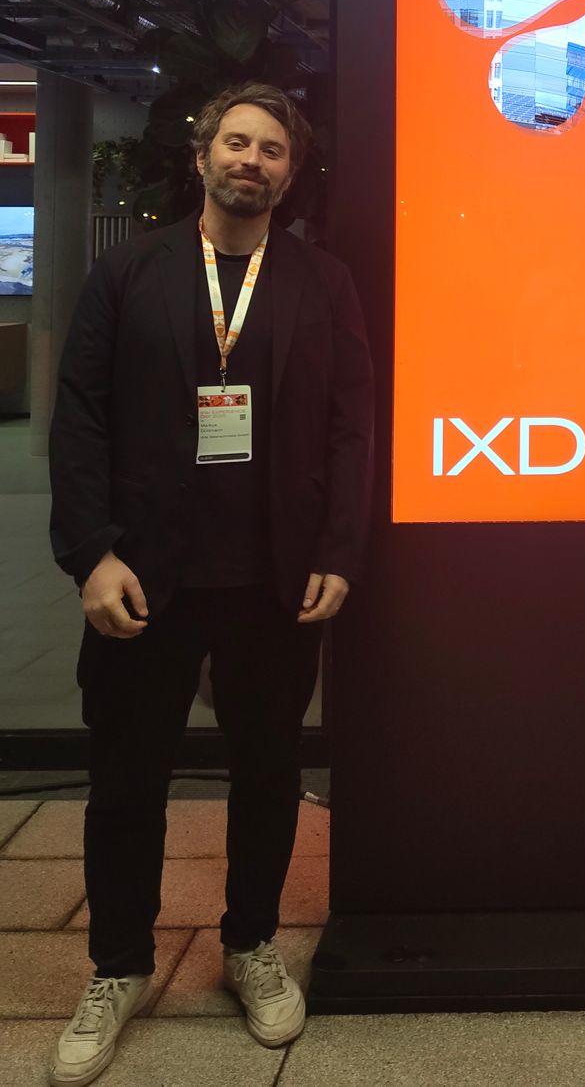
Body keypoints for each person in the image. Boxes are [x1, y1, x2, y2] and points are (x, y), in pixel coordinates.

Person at [47, 83, 374, 1086]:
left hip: (273, 578)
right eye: (236, 142)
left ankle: (249, 943)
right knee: (127, 780)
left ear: (290, 171)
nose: (251, 160)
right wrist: (91, 554)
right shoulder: (129, 272)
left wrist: (339, 549)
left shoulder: (321, 282)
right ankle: (117, 965)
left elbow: (351, 423)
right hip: (146, 574)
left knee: (268, 772)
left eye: (271, 149)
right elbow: (79, 415)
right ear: (201, 156)